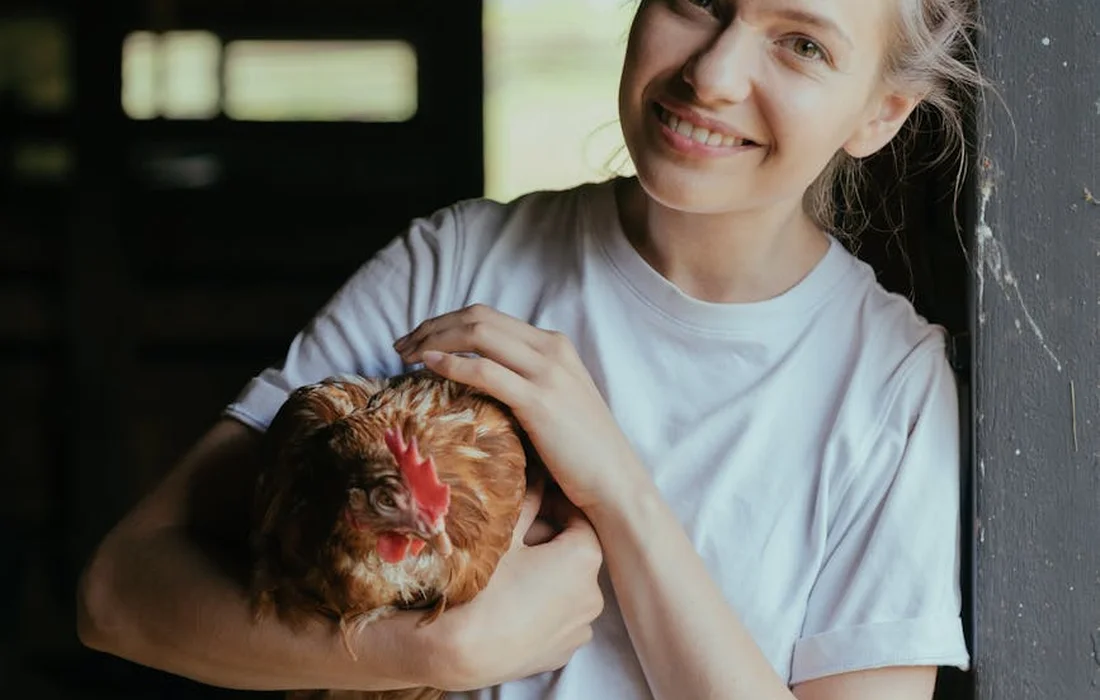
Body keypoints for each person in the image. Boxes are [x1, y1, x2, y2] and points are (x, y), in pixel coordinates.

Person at [77, 0, 983, 698]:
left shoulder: (888, 388)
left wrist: (619, 494)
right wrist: (440, 649)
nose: (713, 73)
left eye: (804, 44)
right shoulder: (459, 264)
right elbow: (119, 594)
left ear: (881, 112)